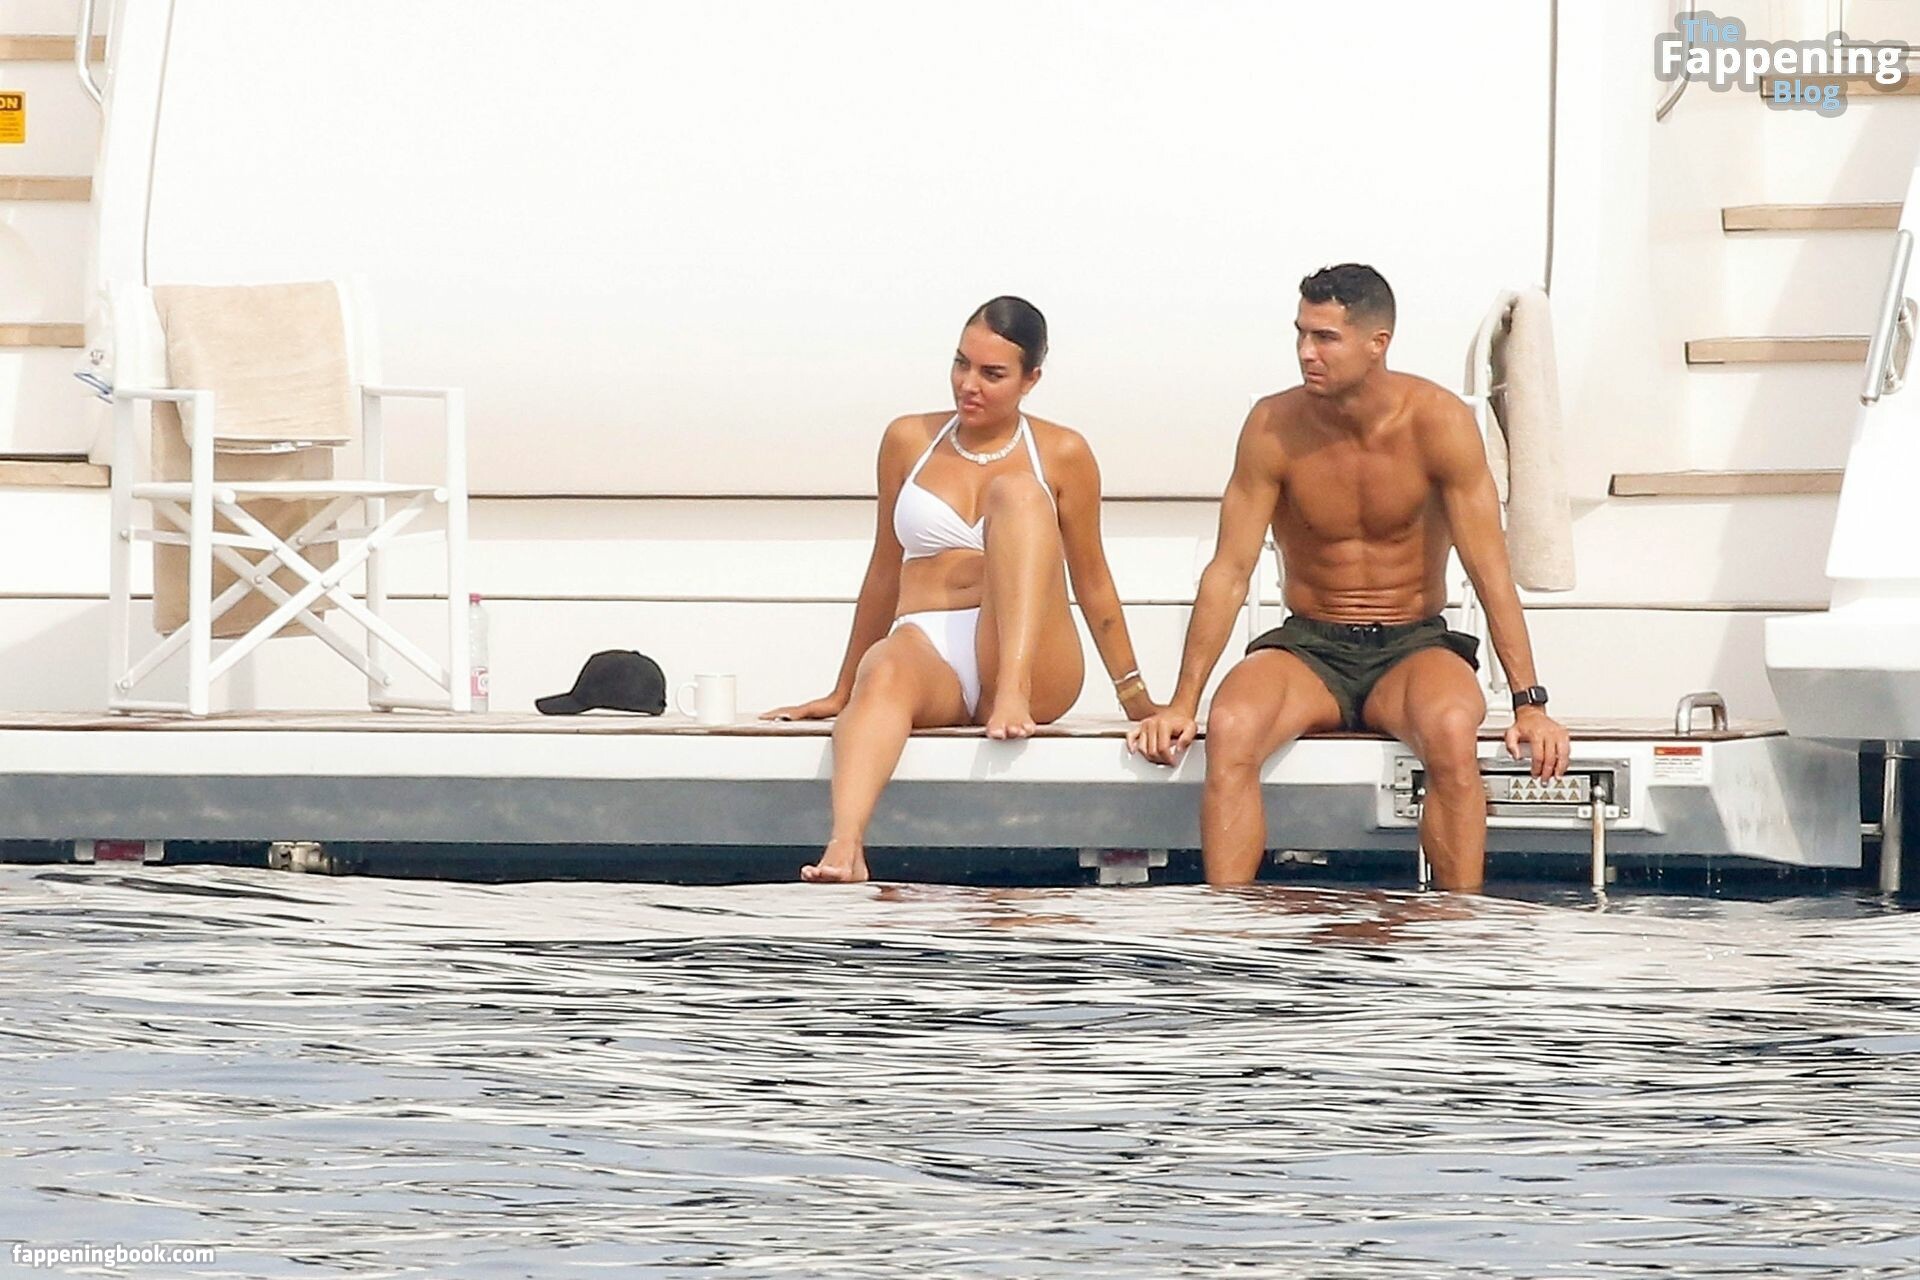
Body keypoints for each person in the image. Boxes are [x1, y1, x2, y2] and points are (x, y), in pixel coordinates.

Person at [1128, 264, 1570, 892]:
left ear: (1377, 342)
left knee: (1451, 730)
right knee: (1230, 727)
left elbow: (1489, 569)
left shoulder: (1438, 422)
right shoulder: (1273, 425)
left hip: (1413, 646)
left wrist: (1531, 705)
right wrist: (1182, 703)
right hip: (1310, 646)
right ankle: (1229, 926)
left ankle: (1459, 925)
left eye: (1326, 338)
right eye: (1301, 334)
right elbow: (1229, 570)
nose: (1307, 352)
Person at [765, 297, 1159, 883]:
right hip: (930, 643)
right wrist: (843, 687)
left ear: (1031, 380)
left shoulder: (1063, 452)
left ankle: (1011, 693)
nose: (968, 385)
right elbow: (883, 569)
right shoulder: (907, 439)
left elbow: (1093, 580)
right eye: (961, 364)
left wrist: (1138, 702)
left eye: (992, 374)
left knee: (1017, 493)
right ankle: (845, 848)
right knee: (884, 672)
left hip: (1029, 657)